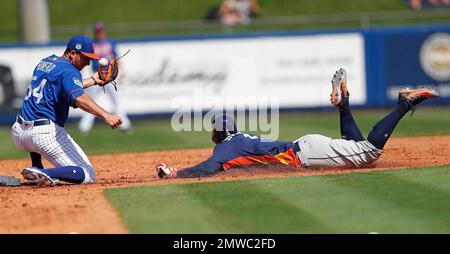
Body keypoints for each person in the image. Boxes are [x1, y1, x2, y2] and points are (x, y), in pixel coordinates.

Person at [156, 68, 439, 178]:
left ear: (218, 134)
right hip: (305, 148)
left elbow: (206, 168)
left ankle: (405, 103)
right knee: (354, 145)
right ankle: (344, 106)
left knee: (368, 152)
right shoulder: (238, 139)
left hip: (305, 154)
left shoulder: (226, 148)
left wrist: (175, 173)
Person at [11, 35, 123, 186]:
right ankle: (43, 173)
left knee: (36, 110)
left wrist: (94, 80)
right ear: (72, 53)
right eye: (85, 58)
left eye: (90, 59)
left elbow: (64, 86)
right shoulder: (70, 71)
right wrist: (106, 115)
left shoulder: (46, 62)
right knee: (87, 174)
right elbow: (78, 98)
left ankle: (36, 165)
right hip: (42, 136)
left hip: (19, 133)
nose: (88, 63)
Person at [78, 21, 132, 135]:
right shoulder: (91, 44)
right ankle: (84, 127)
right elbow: (84, 59)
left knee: (116, 101)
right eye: (97, 31)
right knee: (90, 102)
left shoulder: (111, 43)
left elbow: (117, 57)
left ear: (104, 31)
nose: (99, 33)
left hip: (110, 76)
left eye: (101, 30)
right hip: (96, 76)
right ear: (95, 32)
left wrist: (122, 71)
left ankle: (124, 125)